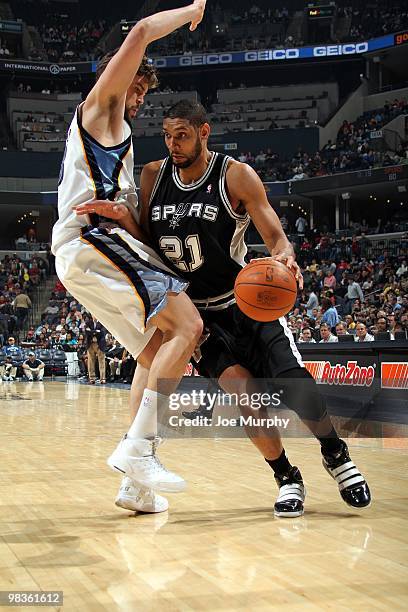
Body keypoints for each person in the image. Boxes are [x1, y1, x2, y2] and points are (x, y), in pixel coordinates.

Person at [83, 100, 371, 516]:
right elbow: (149, 238)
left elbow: (275, 235)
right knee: (245, 395)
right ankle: (287, 477)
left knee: (295, 384)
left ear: (204, 132)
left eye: (181, 134)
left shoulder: (235, 176)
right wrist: (124, 220)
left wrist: (285, 257)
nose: (172, 144)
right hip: (197, 317)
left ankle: (335, 453)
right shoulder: (153, 176)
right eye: (166, 135)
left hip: (245, 302)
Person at [52, 1, 207, 513]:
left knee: (155, 349)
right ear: (116, 74)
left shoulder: (116, 132)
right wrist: (191, 11)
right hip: (89, 241)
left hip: (92, 246)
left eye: (144, 90)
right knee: (188, 325)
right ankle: (137, 451)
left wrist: (123, 216)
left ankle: (135, 484)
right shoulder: (100, 107)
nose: (139, 96)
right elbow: (140, 31)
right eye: (135, 85)